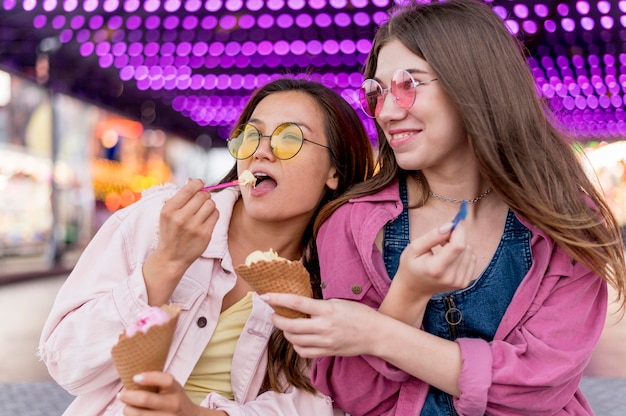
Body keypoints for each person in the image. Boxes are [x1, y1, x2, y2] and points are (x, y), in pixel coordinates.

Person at [262, 1, 626, 415]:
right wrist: (408, 295)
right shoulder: (352, 223)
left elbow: (538, 389)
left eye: (407, 84)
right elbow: (353, 397)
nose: (387, 112)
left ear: (475, 83)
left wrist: (378, 333)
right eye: (375, 93)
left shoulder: (567, 223)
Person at [38, 77, 375, 416]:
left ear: (335, 169)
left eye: (290, 138)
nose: (260, 151)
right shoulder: (159, 219)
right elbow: (66, 366)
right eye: (251, 136)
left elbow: (317, 402)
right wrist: (165, 264)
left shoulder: (334, 276)